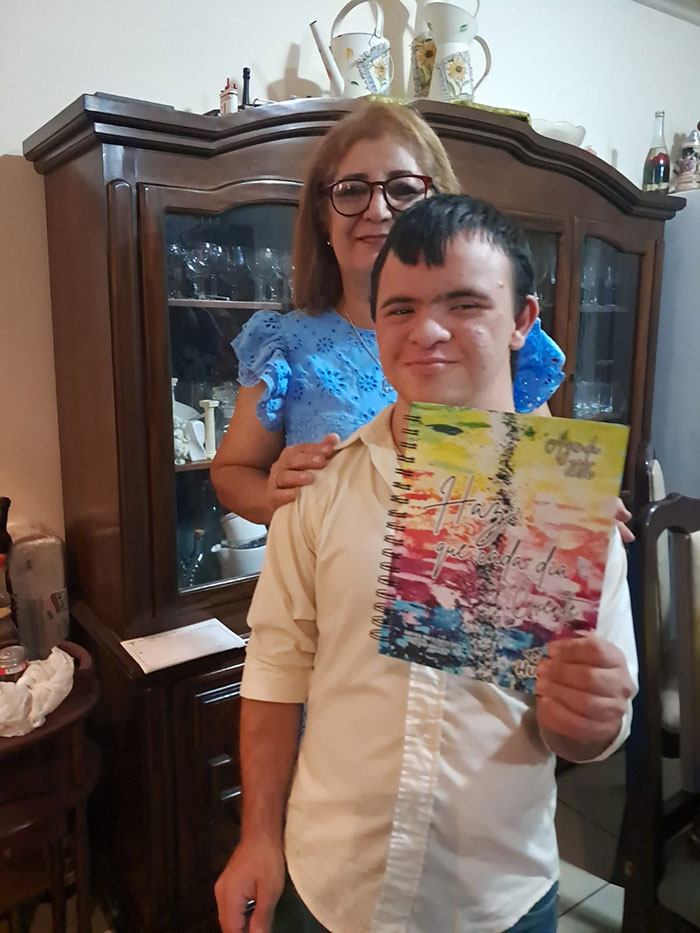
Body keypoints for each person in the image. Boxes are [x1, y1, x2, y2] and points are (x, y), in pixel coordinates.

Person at [213, 195, 638, 933]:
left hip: (496, 900)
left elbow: (589, 727)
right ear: (376, 324)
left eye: (464, 303)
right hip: (329, 885)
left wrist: (588, 722)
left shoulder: (569, 507)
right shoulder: (318, 489)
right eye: (400, 308)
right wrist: (258, 836)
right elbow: (277, 667)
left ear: (522, 319)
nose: (427, 331)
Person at [210, 103, 566, 526]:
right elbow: (232, 472)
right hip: (332, 560)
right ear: (323, 215)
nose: (377, 210)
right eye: (351, 190)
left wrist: (572, 506)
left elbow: (540, 469)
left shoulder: (494, 333)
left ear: (439, 202)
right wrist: (277, 500)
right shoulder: (282, 346)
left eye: (403, 189)